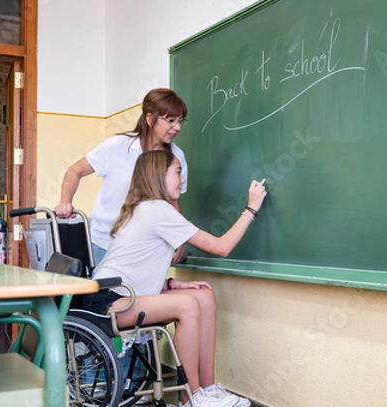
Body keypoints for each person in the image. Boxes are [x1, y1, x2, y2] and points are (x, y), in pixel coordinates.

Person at [83, 150, 267, 407]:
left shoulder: (145, 208)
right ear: (158, 175)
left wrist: (173, 284)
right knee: (188, 304)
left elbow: (137, 268)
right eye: (178, 172)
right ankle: (190, 397)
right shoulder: (157, 210)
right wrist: (251, 208)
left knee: (204, 296)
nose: (183, 179)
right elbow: (221, 247)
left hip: (121, 294)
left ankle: (208, 389)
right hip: (107, 302)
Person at [55, 88, 189, 264]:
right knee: (106, 291)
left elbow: (174, 202)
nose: (177, 127)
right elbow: (75, 171)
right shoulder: (117, 146)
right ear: (150, 119)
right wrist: (66, 202)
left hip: (147, 247)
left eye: (180, 121)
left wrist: (178, 238)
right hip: (105, 244)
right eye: (171, 120)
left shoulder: (176, 156)